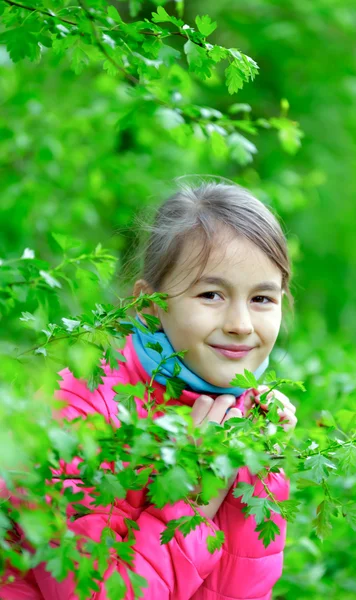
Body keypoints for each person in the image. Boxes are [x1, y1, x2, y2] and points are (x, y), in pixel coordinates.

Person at [0, 179, 297, 599]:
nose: (241, 324)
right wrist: (192, 499)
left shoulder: (242, 414)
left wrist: (256, 471)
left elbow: (238, 589)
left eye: (262, 299)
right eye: (211, 294)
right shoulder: (80, 410)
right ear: (150, 303)